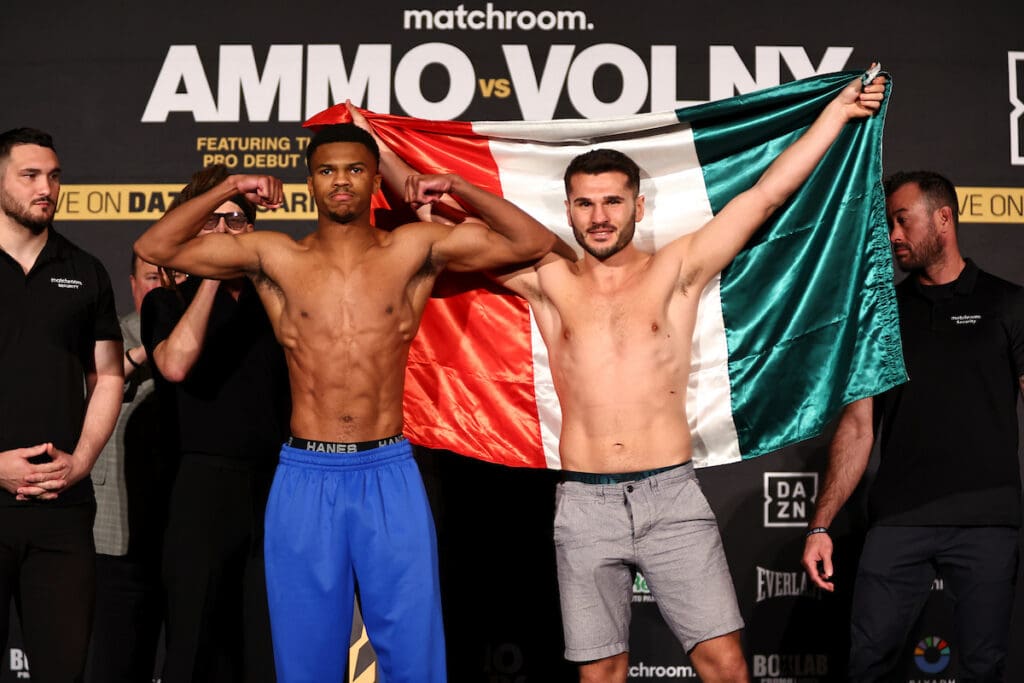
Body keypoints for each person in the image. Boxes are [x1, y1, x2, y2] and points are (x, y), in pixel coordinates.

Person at [359, 67, 887, 681]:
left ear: (637, 204)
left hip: (671, 498)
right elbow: (441, 230)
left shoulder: (678, 271)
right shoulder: (549, 281)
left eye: (612, 201)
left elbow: (766, 195)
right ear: (569, 211)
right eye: (585, 204)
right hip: (583, 503)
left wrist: (838, 114)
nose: (599, 216)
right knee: (601, 673)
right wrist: (375, 148)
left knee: (724, 665)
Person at [133, 127, 559, 683]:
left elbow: (532, 242)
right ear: (310, 181)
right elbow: (155, 249)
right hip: (306, 475)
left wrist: (457, 186)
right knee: (306, 660)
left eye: (356, 170)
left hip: (388, 471)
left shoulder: (414, 248)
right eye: (328, 170)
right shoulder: (274, 255)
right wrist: (231, 186)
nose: (341, 181)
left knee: (414, 656)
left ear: (375, 178)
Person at [801, 171, 1023, 682]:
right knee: (866, 664)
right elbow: (858, 427)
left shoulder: (1008, 304)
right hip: (898, 521)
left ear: (943, 218)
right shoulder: (880, 315)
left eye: (903, 220)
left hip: (988, 519)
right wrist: (820, 524)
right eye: (889, 223)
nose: (894, 235)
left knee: (984, 667)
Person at [140, 165, 289, 683]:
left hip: (277, 484)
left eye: (238, 223)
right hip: (203, 486)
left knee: (266, 646)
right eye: (212, 222)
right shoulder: (168, 301)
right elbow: (175, 365)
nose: (226, 233)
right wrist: (208, 276)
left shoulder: (276, 303)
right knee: (195, 644)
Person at [0, 127, 124, 682]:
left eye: (53, 176)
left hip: (61, 513)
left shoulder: (87, 270)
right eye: (30, 175)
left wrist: (83, 461)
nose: (46, 187)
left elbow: (108, 375)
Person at [84, 254, 178, 683]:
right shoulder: (112, 335)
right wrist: (146, 351)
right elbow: (90, 388)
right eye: (150, 276)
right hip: (116, 541)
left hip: (180, 536)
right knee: (116, 665)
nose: (160, 285)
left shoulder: (198, 341)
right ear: (132, 283)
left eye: (169, 276)